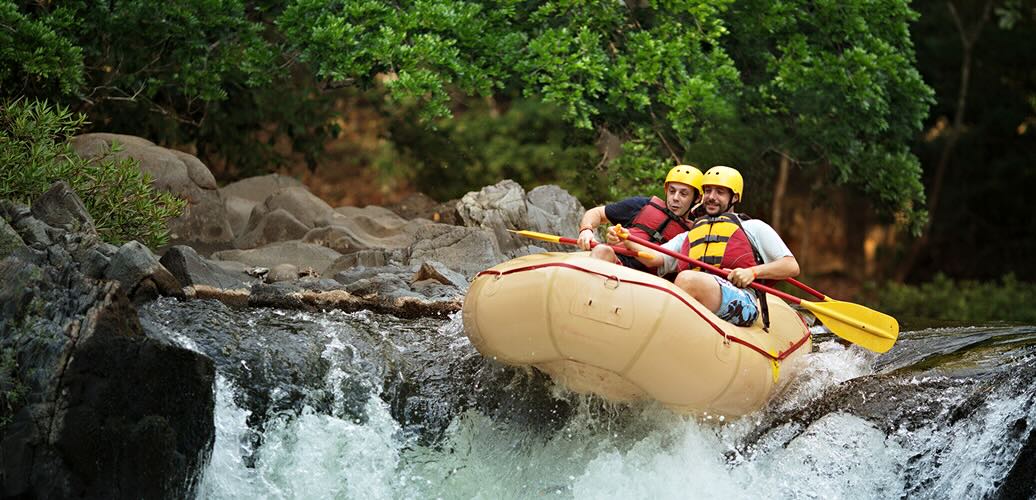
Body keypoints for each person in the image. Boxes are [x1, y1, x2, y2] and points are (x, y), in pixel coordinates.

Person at [607, 165, 799, 327]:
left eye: (720, 192)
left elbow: (791, 266)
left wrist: (753, 273)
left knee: (687, 280)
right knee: (683, 281)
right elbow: (656, 258)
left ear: (734, 198)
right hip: (697, 294)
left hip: (742, 300)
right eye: (708, 191)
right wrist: (627, 239)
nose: (711, 197)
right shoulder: (691, 234)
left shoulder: (753, 227)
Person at [576, 165, 703, 274]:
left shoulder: (695, 232)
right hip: (616, 259)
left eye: (683, 194)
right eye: (672, 191)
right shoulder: (642, 205)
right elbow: (597, 213)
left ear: (697, 198)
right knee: (602, 250)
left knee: (602, 250)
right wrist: (586, 230)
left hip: (648, 280)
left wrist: (627, 240)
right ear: (666, 190)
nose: (675, 198)